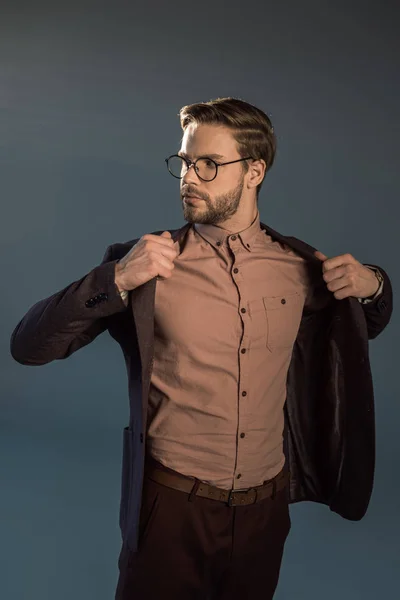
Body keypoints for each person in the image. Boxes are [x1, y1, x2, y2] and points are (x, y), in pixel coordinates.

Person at [10, 97, 393, 600]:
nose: (189, 177)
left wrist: (374, 287)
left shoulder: (299, 267)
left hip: (265, 512)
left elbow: (361, 326)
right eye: (185, 162)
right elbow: (29, 345)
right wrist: (117, 278)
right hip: (170, 511)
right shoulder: (146, 265)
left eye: (208, 164)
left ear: (254, 171)